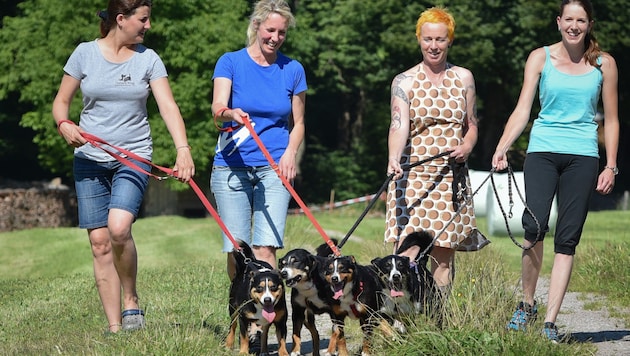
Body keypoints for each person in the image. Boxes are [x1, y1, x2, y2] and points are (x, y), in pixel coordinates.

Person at [52, 0, 195, 334]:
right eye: (143, 20)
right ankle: (116, 328)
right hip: (89, 159)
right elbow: (61, 101)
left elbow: (168, 107)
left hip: (133, 156)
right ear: (122, 19)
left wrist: (183, 149)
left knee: (118, 228)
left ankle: (131, 301)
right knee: (100, 242)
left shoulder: (149, 59)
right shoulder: (85, 53)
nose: (148, 26)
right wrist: (63, 124)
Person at [491, 0, 619, 342]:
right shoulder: (540, 57)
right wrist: (502, 146)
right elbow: (523, 109)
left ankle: (549, 322)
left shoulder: (604, 64)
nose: (574, 26)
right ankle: (527, 305)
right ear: (558, 22)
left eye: (581, 20)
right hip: (543, 151)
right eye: (569, 20)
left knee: (567, 238)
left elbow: (612, 118)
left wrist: (611, 165)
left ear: (589, 24)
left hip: (583, 156)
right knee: (533, 226)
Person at [385, 6, 488, 310]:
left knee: (443, 255)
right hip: (412, 177)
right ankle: (401, 317)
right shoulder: (404, 81)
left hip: (450, 179)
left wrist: (468, 146)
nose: (433, 45)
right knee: (406, 255)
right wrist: (393, 158)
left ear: (449, 40)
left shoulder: (464, 78)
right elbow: (398, 124)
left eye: (440, 39)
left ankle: (437, 318)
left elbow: (471, 124)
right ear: (419, 39)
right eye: (428, 39)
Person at [210, 0, 306, 277]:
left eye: (282, 33)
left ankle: (267, 316)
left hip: (274, 166)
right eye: (270, 30)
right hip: (232, 165)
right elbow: (217, 107)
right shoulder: (231, 62)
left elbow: (298, 123)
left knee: (265, 248)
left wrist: (290, 153)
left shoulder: (293, 69)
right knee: (238, 249)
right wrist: (231, 113)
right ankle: (242, 309)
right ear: (256, 26)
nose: (275, 39)